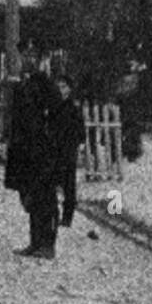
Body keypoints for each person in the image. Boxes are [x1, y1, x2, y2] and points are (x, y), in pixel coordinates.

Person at [4, 71, 62, 259]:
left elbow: (55, 117)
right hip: (26, 150)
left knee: (47, 198)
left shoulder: (47, 85)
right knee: (31, 196)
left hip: (44, 150)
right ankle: (35, 242)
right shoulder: (21, 86)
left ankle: (48, 245)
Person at [52, 76, 85, 228]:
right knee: (52, 183)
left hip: (69, 149)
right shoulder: (54, 106)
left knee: (69, 186)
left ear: (69, 89)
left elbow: (80, 128)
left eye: (64, 87)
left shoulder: (73, 107)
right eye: (58, 87)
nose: (61, 90)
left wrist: (80, 145)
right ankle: (53, 215)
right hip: (55, 148)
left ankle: (67, 217)